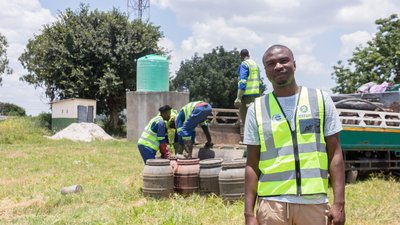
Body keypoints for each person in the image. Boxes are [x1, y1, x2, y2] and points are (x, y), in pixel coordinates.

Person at [244, 44, 345, 225]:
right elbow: (252, 163)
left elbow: (335, 153)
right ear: (265, 71)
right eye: (271, 63)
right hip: (272, 205)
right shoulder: (256, 109)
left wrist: (339, 203)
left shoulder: (321, 100)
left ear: (294, 64)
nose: (278, 66)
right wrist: (249, 214)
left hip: (313, 204)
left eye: (284, 60)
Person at [234, 49, 262, 141]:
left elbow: (243, 81)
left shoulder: (244, 64)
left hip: (246, 97)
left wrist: (238, 97)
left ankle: (249, 148)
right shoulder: (255, 65)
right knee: (256, 121)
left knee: (247, 123)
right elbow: (259, 82)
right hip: (256, 97)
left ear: (241, 56)